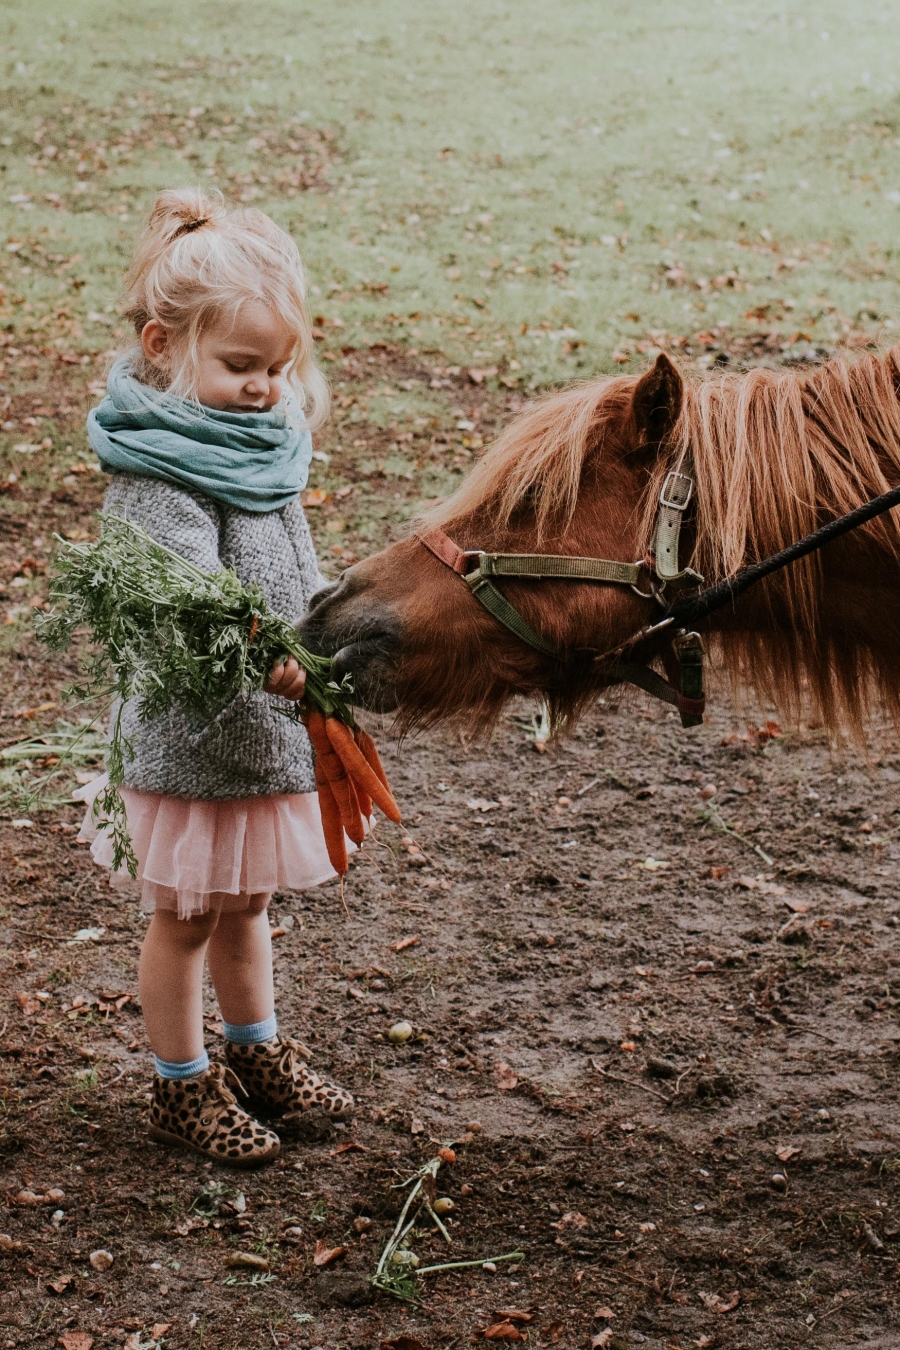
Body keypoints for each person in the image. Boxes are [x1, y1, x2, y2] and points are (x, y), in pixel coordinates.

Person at [75, 187, 353, 1168]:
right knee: (186, 916)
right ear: (162, 345)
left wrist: (327, 632)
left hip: (263, 732)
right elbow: (182, 604)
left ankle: (255, 1049)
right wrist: (260, 654)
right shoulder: (157, 471)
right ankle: (181, 1086)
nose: (267, 387)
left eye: (279, 367)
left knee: (248, 908)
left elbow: (296, 566)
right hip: (190, 745)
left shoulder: (265, 449)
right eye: (241, 366)